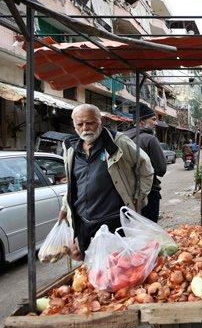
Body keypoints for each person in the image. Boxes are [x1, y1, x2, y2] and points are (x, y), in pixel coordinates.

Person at [58, 104, 154, 260]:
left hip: (113, 222)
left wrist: (139, 196)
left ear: (99, 121)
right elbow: (72, 183)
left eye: (90, 123)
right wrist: (64, 209)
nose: (85, 128)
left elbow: (146, 168)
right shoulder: (71, 148)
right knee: (90, 268)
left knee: (117, 269)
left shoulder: (117, 141)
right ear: (74, 125)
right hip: (83, 222)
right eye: (80, 124)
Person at [124, 104, 167, 222]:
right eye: (153, 119)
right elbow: (161, 169)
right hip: (148, 193)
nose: (155, 123)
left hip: (125, 193)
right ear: (142, 122)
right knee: (149, 234)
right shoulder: (149, 139)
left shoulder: (122, 138)